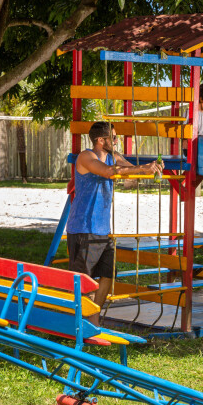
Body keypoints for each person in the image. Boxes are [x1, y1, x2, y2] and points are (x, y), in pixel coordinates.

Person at [66, 121, 163, 325]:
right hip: (83, 227)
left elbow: (131, 172)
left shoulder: (114, 156)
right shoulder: (86, 157)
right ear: (101, 140)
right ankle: (79, 323)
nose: (117, 141)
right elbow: (108, 171)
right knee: (84, 280)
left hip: (103, 229)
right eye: (114, 137)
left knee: (108, 274)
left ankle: (93, 317)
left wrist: (152, 168)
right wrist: (141, 168)